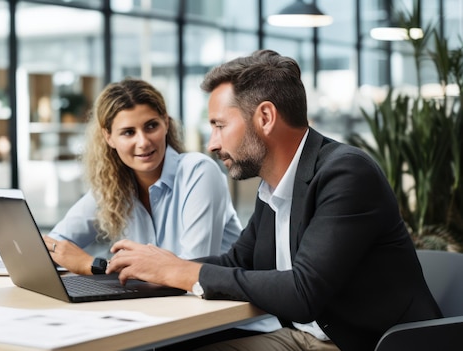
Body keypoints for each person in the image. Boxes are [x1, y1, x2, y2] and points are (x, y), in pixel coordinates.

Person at [105, 50, 443, 351]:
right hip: (304, 337)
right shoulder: (274, 186)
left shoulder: (346, 174)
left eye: (220, 126)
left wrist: (184, 271)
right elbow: (240, 260)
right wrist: (162, 270)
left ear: (265, 117)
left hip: (366, 343)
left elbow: (303, 292)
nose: (212, 143)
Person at [43, 78, 242, 275]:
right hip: (151, 305)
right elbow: (53, 244)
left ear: (165, 122)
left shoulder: (199, 172)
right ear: (109, 137)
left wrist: (91, 265)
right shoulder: (112, 186)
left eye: (151, 126)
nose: (143, 142)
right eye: (129, 132)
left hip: (213, 304)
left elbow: (191, 271)